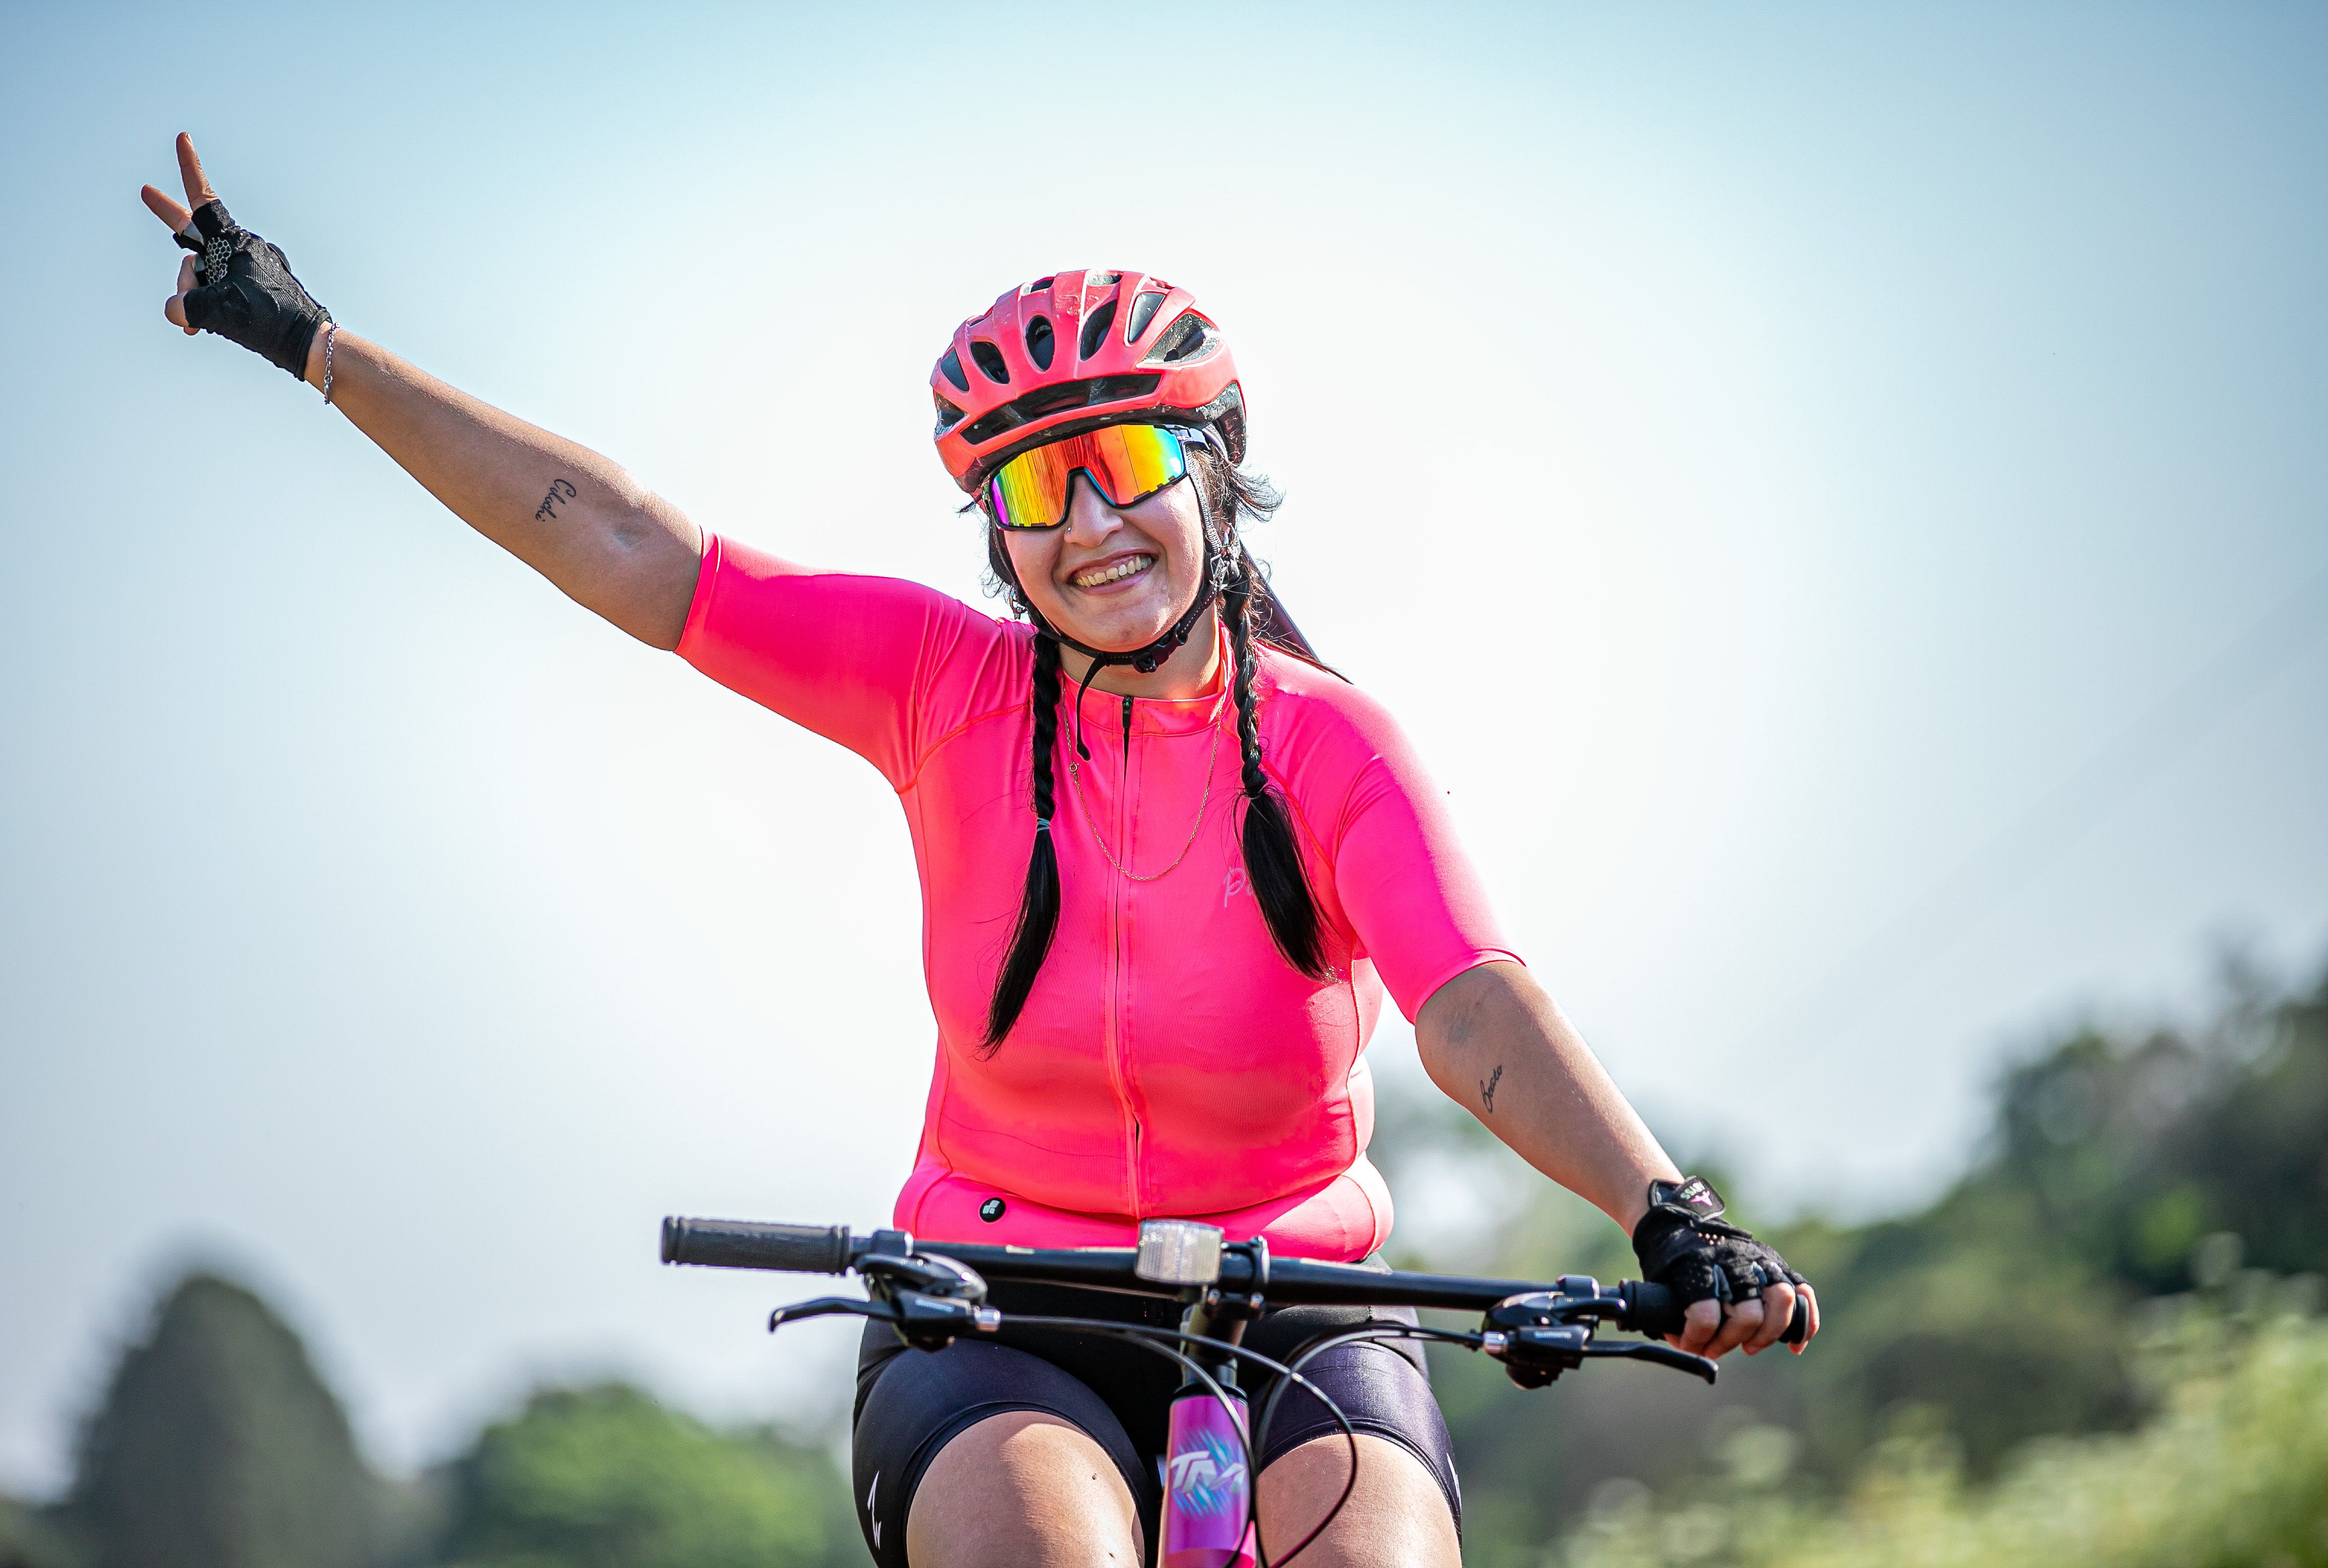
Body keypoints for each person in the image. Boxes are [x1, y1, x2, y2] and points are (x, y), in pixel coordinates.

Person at [142, 132, 1819, 1568]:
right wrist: (313, 345)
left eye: (1130, 463)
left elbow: (1470, 1004)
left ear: (1217, 475)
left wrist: (1663, 1209)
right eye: (1036, 489)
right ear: (997, 532)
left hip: (1298, 1306)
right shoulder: (936, 686)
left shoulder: (1332, 745)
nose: (1091, 525)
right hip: (1000, 1302)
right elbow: (627, 541)